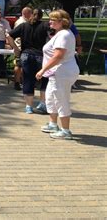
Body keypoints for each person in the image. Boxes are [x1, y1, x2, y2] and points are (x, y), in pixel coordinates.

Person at [36, 9, 79, 140]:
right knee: (50, 98)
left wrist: (42, 70)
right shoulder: (60, 34)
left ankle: (66, 130)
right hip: (56, 73)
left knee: (61, 99)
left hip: (62, 72)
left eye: (53, 20)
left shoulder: (64, 35)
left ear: (62, 22)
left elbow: (58, 56)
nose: (50, 22)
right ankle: (53, 124)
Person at [8, 8, 50, 114]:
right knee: (44, 79)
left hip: (26, 54)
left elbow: (9, 35)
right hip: (40, 55)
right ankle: (43, 103)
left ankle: (28, 106)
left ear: (31, 14)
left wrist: (15, 48)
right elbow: (52, 36)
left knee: (28, 79)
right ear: (41, 16)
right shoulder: (45, 26)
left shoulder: (24, 25)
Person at [13, 7, 33, 90]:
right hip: (20, 47)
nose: (32, 15)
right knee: (19, 64)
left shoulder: (26, 22)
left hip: (24, 46)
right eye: (31, 13)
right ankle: (17, 82)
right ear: (26, 13)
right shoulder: (21, 22)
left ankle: (21, 81)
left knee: (22, 65)